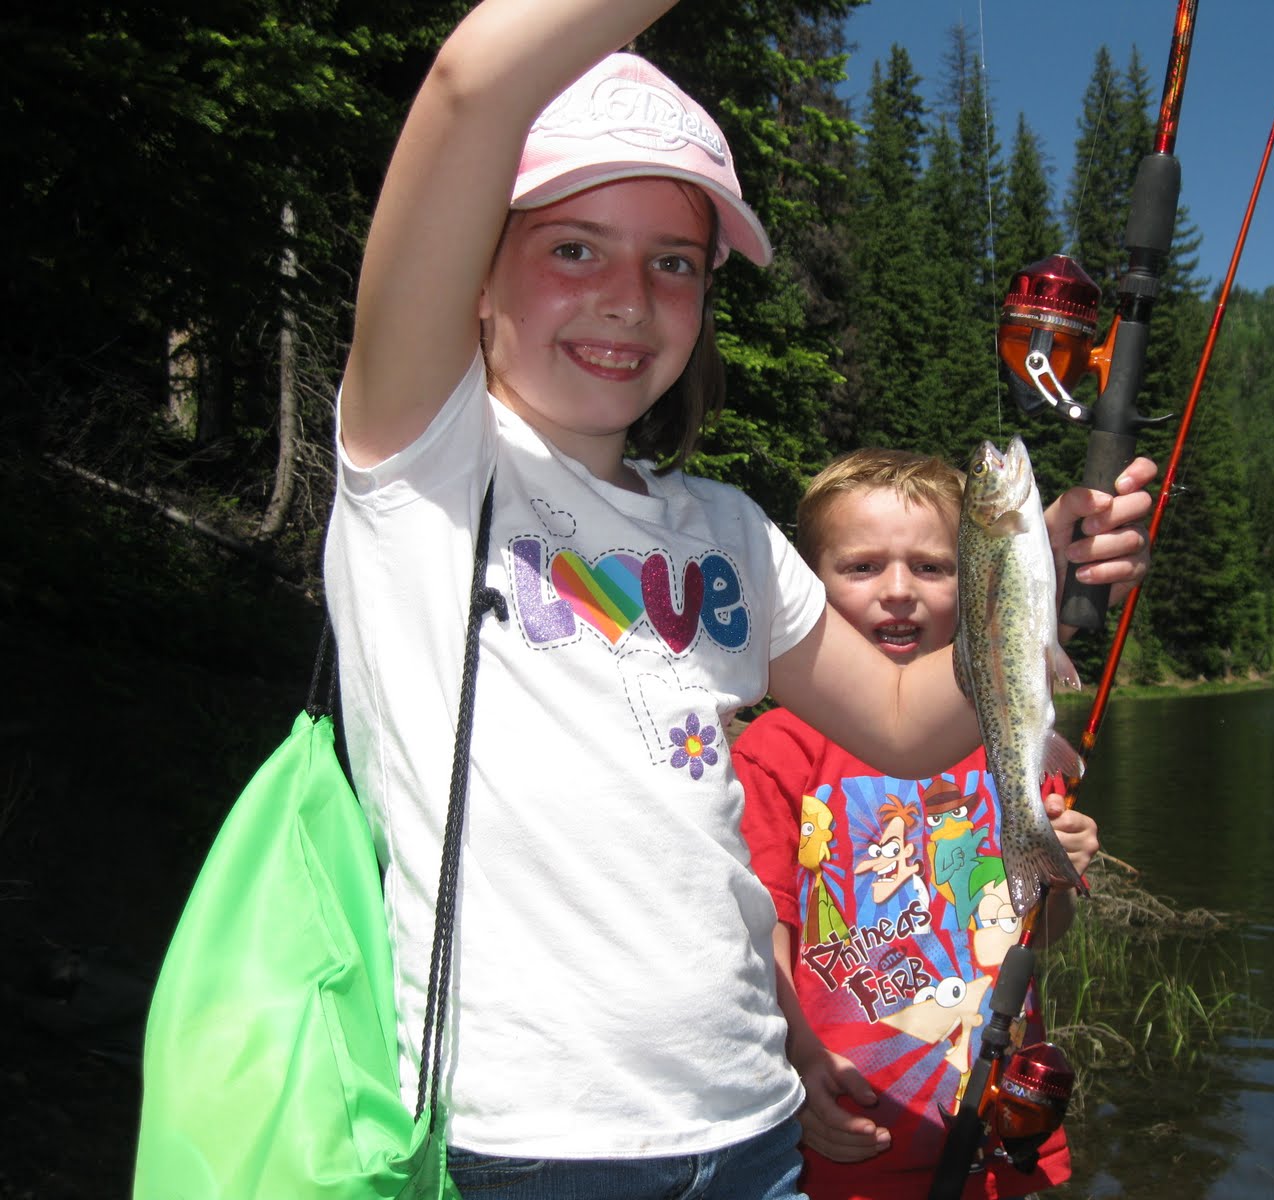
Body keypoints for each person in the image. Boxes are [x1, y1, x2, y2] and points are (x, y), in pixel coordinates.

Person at [324, 1, 1155, 1196]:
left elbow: (912, 723)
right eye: (573, 248)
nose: (627, 296)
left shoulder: (728, 536)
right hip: (518, 1140)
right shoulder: (421, 465)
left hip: (752, 1126)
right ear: (474, 275)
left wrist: (1032, 582)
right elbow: (469, 88)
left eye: (674, 263)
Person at [736, 449, 1143, 1200]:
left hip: (1002, 1132)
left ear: (981, 581)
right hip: (844, 1133)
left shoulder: (1012, 738)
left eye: (931, 568)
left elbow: (1036, 934)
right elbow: (764, 932)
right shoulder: (777, 749)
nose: (898, 593)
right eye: (861, 568)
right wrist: (797, 1063)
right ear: (807, 589)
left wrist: (1061, 875)